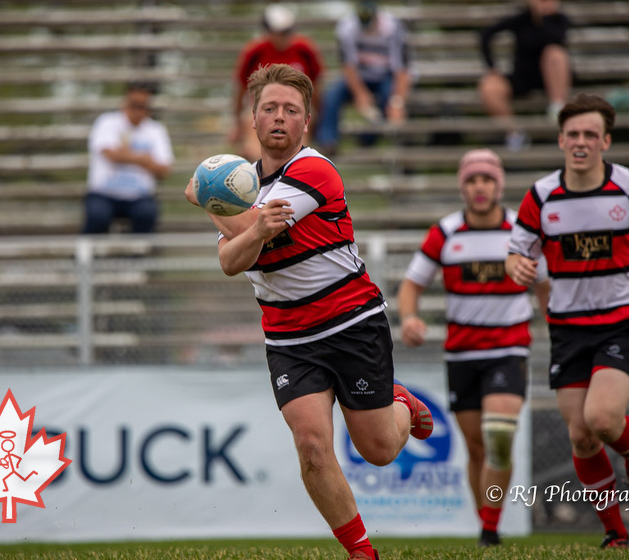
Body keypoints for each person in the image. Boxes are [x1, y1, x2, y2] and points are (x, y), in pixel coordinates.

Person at [185, 63, 432, 560]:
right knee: (314, 449)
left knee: (379, 450)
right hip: (288, 337)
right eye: (269, 108)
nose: (280, 117)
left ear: (307, 122)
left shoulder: (315, 169)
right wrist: (246, 225)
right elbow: (233, 261)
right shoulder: (241, 185)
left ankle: (398, 404)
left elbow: (254, 228)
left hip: (351, 323)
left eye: (290, 110)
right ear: (252, 120)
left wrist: (206, 197)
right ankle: (362, 553)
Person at [505, 93, 629, 549]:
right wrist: (516, 265)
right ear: (561, 140)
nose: (581, 141)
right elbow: (517, 251)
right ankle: (616, 533)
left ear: (606, 141)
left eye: (591, 134)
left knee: (603, 417)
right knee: (582, 435)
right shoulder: (542, 195)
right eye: (573, 134)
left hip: (624, 319)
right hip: (568, 327)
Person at [397, 148, 549, 547]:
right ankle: (486, 522)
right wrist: (410, 317)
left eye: (486, 179)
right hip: (462, 354)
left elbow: (545, 286)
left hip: (508, 347)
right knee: (477, 448)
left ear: (498, 184)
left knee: (499, 436)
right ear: (462, 186)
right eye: (471, 180)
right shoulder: (446, 232)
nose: (479, 187)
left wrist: (558, 329)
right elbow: (412, 285)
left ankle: (490, 529)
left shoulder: (522, 232)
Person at [230, 3, 325, 162]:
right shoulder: (255, 52)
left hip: (297, 109)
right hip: (260, 109)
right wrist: (237, 124)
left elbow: (317, 86)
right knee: (255, 146)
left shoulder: (305, 50)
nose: (284, 37)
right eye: (280, 33)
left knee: (298, 149)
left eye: (288, 32)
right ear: (268, 31)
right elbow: (240, 89)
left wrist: (317, 118)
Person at [315, 0, 411, 157]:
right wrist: (360, 93)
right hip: (359, 77)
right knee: (331, 96)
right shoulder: (347, 27)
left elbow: (401, 68)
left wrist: (397, 101)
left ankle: (371, 139)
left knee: (390, 101)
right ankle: (328, 141)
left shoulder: (394, 27)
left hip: (385, 77)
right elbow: (348, 65)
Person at [477, 0, 572, 151]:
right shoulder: (521, 20)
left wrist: (543, 19)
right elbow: (487, 34)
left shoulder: (560, 20)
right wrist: (492, 67)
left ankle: (557, 107)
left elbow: (555, 39)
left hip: (551, 78)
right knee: (489, 86)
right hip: (522, 77)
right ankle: (514, 134)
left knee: (555, 54)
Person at [82, 82, 174, 234]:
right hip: (103, 194)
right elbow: (109, 154)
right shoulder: (107, 122)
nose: (138, 111)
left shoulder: (156, 130)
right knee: (97, 217)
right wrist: (144, 159)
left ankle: (138, 256)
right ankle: (86, 256)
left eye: (143, 106)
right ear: (125, 103)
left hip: (140, 197)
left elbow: (164, 170)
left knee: (147, 214)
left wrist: (125, 154)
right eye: (134, 105)